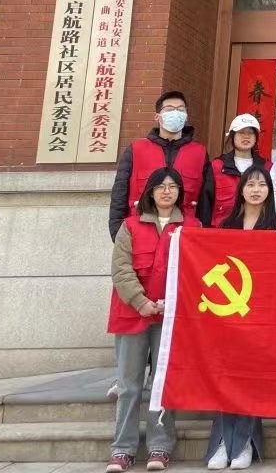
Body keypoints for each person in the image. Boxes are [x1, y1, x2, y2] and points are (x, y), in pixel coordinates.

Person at [105, 167, 197, 473]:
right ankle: (123, 449)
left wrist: (171, 302)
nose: (166, 192)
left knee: (163, 382)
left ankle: (160, 445)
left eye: (172, 186)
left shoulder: (192, 226)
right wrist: (141, 302)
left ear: (180, 192)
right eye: (160, 187)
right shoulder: (129, 226)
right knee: (129, 385)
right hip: (132, 313)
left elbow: (197, 271)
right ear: (150, 192)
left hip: (171, 317)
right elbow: (121, 269)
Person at [207, 166, 276, 470]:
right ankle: (223, 443)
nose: (255, 189)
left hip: (262, 315)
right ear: (241, 190)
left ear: (269, 191)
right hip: (229, 315)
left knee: (251, 379)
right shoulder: (226, 226)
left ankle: (244, 443)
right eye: (250, 184)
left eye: (261, 184)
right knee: (227, 378)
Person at [108, 90, 212, 239]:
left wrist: (203, 234)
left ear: (186, 116)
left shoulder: (199, 153)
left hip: (185, 234)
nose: (175, 113)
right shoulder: (136, 149)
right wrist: (117, 232)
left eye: (180, 109)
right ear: (157, 116)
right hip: (140, 231)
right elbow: (120, 193)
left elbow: (206, 199)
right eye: (169, 109)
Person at [212, 114, 268, 227]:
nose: (246, 136)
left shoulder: (266, 167)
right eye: (241, 132)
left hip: (257, 228)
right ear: (232, 136)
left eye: (250, 133)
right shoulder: (217, 166)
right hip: (222, 229)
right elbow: (206, 202)